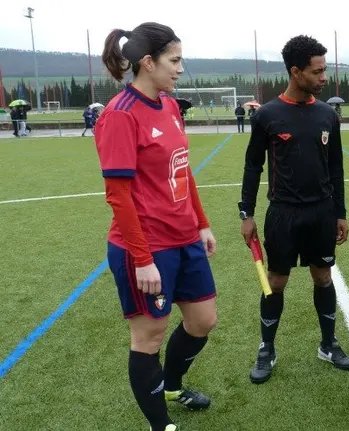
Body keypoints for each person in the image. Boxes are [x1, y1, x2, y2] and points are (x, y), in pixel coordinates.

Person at [94, 22, 218, 431]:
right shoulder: (119, 115)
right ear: (148, 63)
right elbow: (118, 196)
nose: (181, 68)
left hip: (185, 239)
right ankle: (160, 424)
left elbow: (182, 171)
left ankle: (171, 385)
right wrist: (143, 259)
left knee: (203, 321)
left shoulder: (168, 105)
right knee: (148, 339)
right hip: (147, 249)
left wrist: (200, 223)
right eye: (175, 60)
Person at [239, 34, 349, 385]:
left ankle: (329, 343)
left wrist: (340, 212)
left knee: (323, 277)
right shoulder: (269, 115)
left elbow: (336, 168)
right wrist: (246, 213)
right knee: (276, 282)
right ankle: (267, 349)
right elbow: (253, 165)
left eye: (324, 70)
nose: (323, 78)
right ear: (295, 71)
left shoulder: (326, 115)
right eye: (317, 71)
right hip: (283, 214)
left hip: (321, 213)